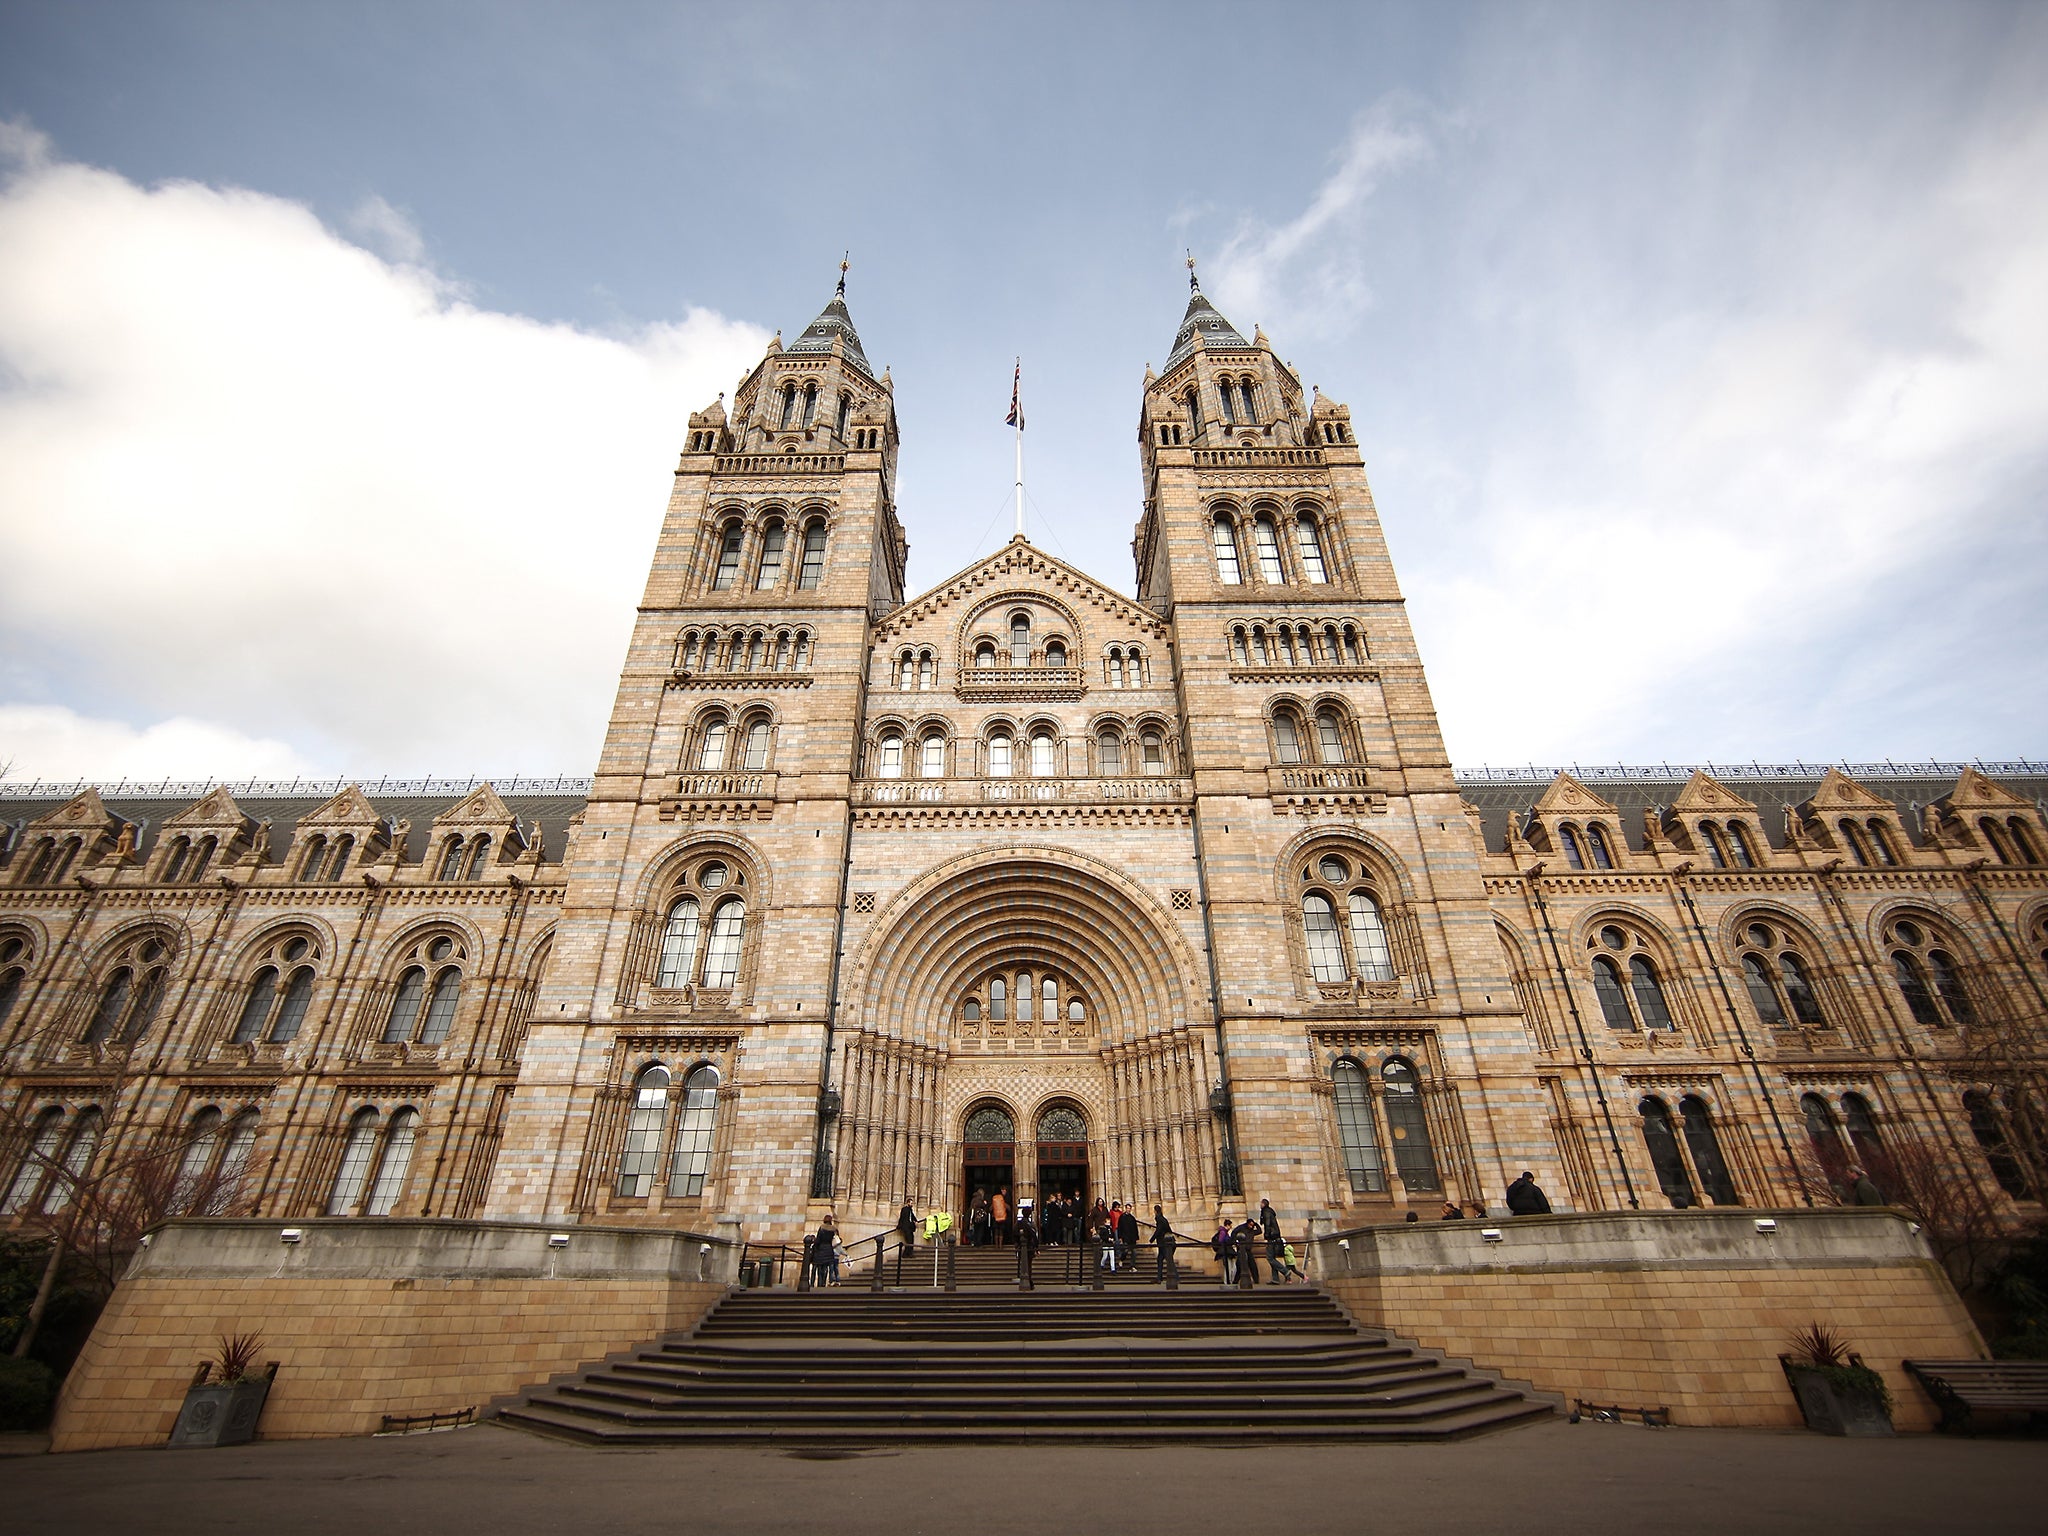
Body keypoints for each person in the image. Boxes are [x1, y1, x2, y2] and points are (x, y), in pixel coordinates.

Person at [1259, 1200, 1284, 1283]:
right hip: (1275, 1236)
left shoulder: (1266, 1212)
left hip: (1272, 1237)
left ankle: (1285, 1271)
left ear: (1264, 1204)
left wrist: (1266, 1234)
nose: (1260, 1205)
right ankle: (1275, 1279)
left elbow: (1267, 1223)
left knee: (1270, 1258)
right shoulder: (1269, 1211)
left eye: (1261, 1203)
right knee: (1272, 1258)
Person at [1231, 1217, 1260, 1290]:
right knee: (1240, 1265)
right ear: (1247, 1224)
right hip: (1241, 1249)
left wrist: (1256, 1224)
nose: (1251, 1226)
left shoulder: (1252, 1231)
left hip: (1248, 1249)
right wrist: (1236, 1242)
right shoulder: (1241, 1228)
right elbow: (1233, 1233)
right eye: (1250, 1225)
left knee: (1252, 1265)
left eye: (1252, 1225)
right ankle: (1235, 1281)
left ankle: (1256, 1280)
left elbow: (1259, 1231)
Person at [812, 1211, 840, 1286]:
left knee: (820, 1267)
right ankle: (825, 1282)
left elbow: (818, 1239)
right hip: (829, 1249)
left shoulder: (822, 1227)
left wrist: (815, 1247)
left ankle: (820, 1283)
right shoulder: (834, 1229)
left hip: (821, 1249)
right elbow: (838, 1238)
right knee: (826, 1268)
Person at [1015, 1206, 1039, 1289]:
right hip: (1028, 1246)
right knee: (1028, 1264)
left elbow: (1015, 1234)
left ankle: (1028, 1279)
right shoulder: (1028, 1224)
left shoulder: (1019, 1223)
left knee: (1025, 1264)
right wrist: (1036, 1246)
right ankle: (1029, 1280)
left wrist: (1017, 1244)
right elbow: (1033, 1235)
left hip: (1023, 1246)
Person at [1153, 1204, 1177, 1283]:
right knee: (1160, 1259)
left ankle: (1176, 1277)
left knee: (1168, 1259)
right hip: (1163, 1242)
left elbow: (1159, 1230)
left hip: (1164, 1243)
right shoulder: (1163, 1219)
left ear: (1156, 1211)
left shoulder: (1160, 1219)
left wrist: (1152, 1239)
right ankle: (1159, 1277)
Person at [1213, 1218, 1237, 1285]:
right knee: (1229, 1267)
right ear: (1227, 1225)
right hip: (1226, 1252)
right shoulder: (1223, 1232)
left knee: (1231, 1267)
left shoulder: (1224, 1232)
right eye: (1230, 1226)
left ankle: (1229, 1281)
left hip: (1228, 1252)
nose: (1231, 1227)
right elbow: (1221, 1241)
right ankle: (1228, 1281)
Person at [1116, 1202, 1139, 1269]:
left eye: (1129, 1208)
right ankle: (1121, 1259)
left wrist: (1136, 1237)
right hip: (1125, 1237)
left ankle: (1132, 1265)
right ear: (1125, 1209)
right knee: (1125, 1251)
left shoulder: (1132, 1218)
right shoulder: (1122, 1217)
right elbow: (1119, 1227)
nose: (1128, 1210)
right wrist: (1120, 1237)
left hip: (1132, 1238)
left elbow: (1135, 1228)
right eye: (1127, 1208)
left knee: (1134, 1252)